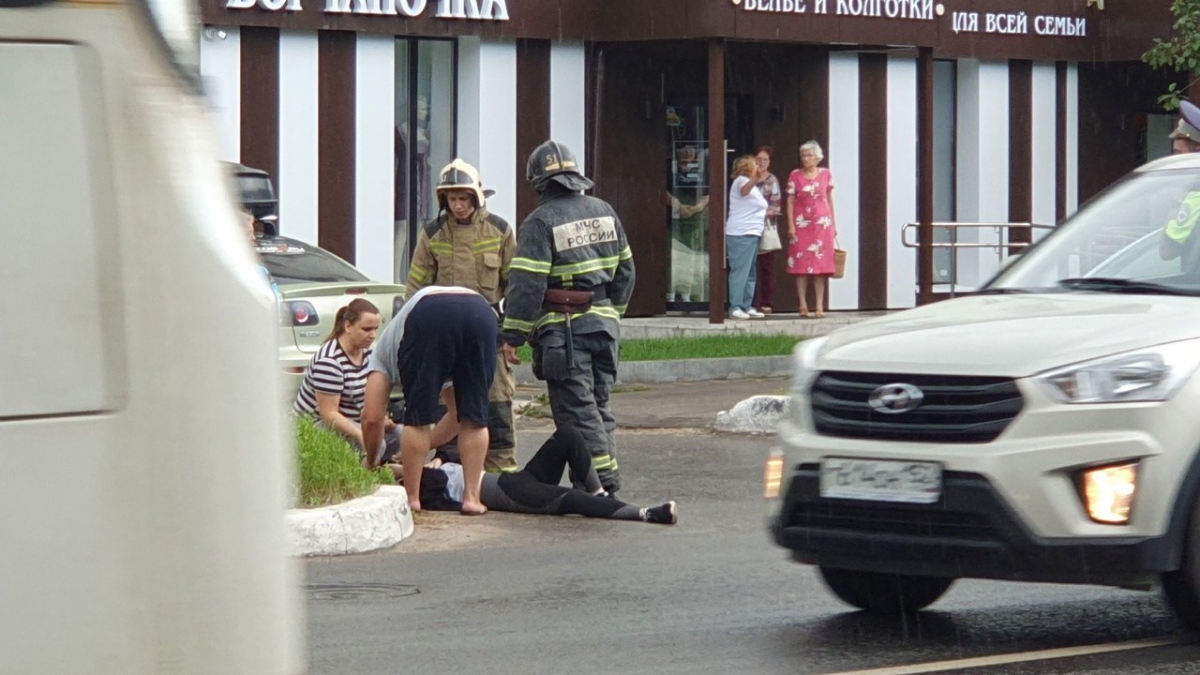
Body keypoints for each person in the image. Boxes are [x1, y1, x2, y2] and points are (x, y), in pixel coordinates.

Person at [501, 140, 636, 496]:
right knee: (599, 405)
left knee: (577, 410)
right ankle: (594, 480)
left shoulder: (540, 222)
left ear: (537, 183)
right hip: (605, 328)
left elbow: (527, 286)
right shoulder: (605, 211)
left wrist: (512, 335)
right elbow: (627, 273)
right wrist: (610, 315)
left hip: (565, 333)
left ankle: (600, 484)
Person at [407, 158, 519, 473]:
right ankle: (451, 467)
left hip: (489, 331)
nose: (458, 205)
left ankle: (501, 470)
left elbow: (516, 285)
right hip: (444, 334)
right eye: (453, 199)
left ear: (476, 197)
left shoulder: (499, 230)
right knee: (450, 404)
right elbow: (416, 287)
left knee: (496, 399)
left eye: (464, 198)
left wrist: (514, 333)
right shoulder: (433, 234)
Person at [362, 286, 497, 515]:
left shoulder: (379, 357)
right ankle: (472, 499)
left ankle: (412, 498)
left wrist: (372, 458)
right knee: (474, 416)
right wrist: (426, 445)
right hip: (481, 311)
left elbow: (372, 418)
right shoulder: (445, 363)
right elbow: (456, 417)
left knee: (418, 417)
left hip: (430, 313)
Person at [407, 425, 678, 524]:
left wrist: (440, 456)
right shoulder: (417, 482)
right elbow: (407, 472)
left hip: (517, 478)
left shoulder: (433, 464)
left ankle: (600, 494)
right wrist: (399, 467)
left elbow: (455, 452)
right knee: (570, 499)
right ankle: (646, 513)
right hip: (511, 494)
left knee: (569, 435)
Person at [293, 299, 400, 461]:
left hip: (351, 419)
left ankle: (378, 469)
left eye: (376, 329)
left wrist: (380, 421)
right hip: (315, 425)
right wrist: (360, 434)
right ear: (348, 326)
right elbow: (329, 414)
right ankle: (366, 475)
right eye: (366, 329)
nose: (373, 335)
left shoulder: (368, 353)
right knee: (375, 444)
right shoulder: (329, 361)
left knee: (398, 435)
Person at [786, 140, 838, 319]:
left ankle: (819, 306)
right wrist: (791, 225)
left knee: (820, 268)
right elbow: (790, 201)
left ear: (817, 157)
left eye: (809, 155)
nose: (805, 159)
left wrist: (834, 224)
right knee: (801, 266)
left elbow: (829, 199)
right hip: (802, 224)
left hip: (822, 224)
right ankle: (802, 304)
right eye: (803, 155)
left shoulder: (825, 174)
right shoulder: (795, 175)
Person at [726, 154, 768, 320]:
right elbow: (744, 192)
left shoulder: (751, 185)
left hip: (752, 232)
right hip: (741, 233)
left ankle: (746, 305)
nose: (758, 166)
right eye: (755, 164)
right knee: (740, 271)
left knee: (750, 271)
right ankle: (735, 306)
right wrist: (755, 180)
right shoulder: (741, 181)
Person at [1161, 101, 1200, 264]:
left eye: (1179, 153)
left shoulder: (1195, 198)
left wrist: (1177, 201)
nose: (1174, 160)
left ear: (1197, 152)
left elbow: (1166, 251)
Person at [752, 146, 784, 315]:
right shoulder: (747, 178)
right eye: (759, 159)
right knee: (749, 266)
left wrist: (763, 212)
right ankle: (750, 302)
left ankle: (766, 302)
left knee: (767, 267)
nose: (762, 163)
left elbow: (776, 203)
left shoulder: (772, 180)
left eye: (765, 160)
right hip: (748, 226)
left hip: (765, 226)